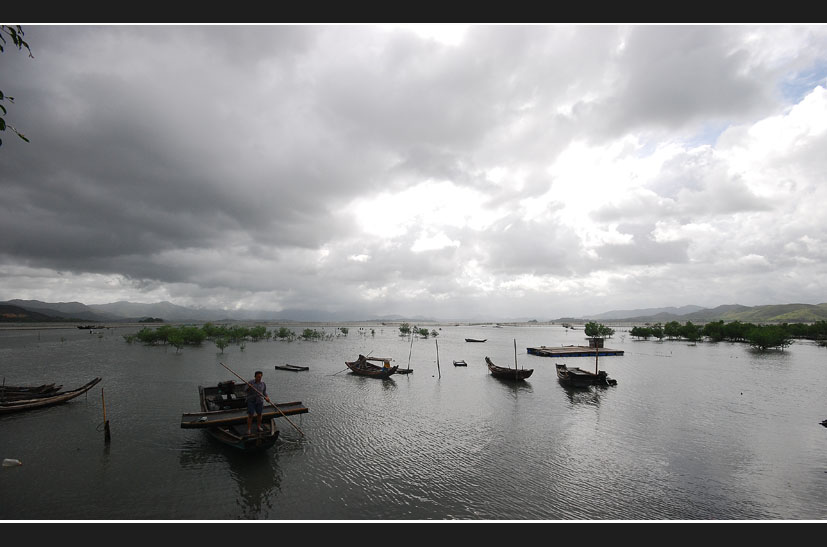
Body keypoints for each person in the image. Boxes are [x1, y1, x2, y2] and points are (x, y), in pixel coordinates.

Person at [246, 370, 271, 435]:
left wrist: (267, 397)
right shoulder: (250, 382)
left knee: (259, 414)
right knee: (250, 415)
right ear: (255, 376)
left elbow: (264, 392)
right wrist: (249, 387)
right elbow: (245, 390)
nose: (259, 378)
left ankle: (259, 427)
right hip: (251, 401)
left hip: (259, 401)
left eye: (260, 377)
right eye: (257, 377)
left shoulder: (263, 383)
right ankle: (248, 429)